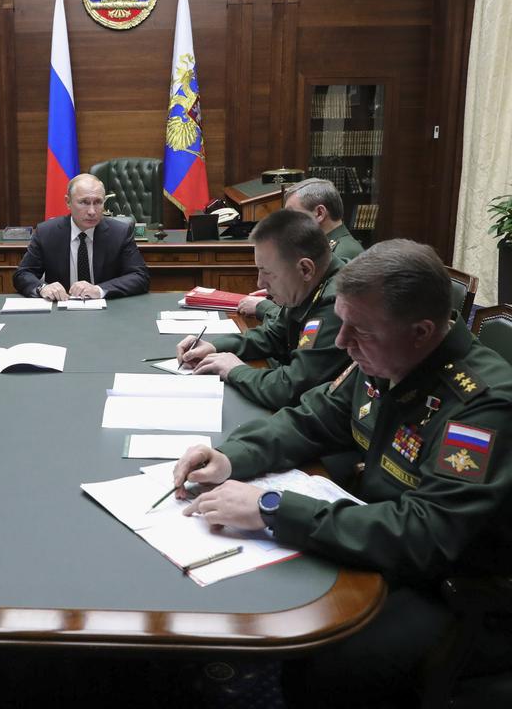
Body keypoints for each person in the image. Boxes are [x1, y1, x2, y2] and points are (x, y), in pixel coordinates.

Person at [171, 239, 512, 707]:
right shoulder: (384, 356)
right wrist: (231, 457)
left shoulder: (479, 405)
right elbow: (314, 417)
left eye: (359, 330)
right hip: (377, 533)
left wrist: (272, 508)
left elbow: (426, 533)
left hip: (453, 587)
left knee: (326, 660)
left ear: (421, 331)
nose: (340, 342)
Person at [176, 210, 349, 409]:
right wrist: (216, 347)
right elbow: (274, 335)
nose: (260, 283)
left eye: (267, 272)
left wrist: (236, 370)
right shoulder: (307, 287)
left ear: (305, 269)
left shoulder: (337, 304)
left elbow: (291, 388)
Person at [238, 178, 364, 319]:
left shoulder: (345, 252)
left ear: (319, 213)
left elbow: (316, 313)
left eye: (292, 215)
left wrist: (264, 306)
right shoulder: (327, 246)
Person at [12, 173, 150, 300]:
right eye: (84, 202)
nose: (92, 211)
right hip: (60, 311)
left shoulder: (119, 232)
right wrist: (43, 288)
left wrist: (99, 290)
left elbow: (140, 276)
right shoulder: (47, 232)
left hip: (108, 312)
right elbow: (23, 274)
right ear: (68, 202)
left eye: (98, 202)